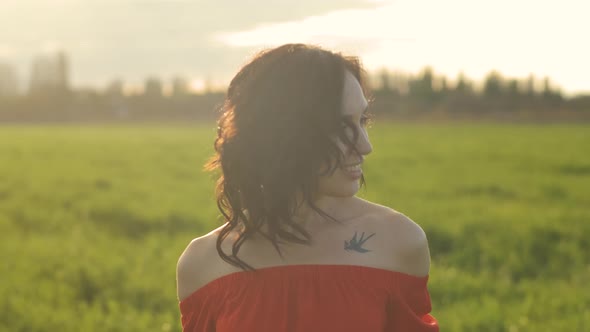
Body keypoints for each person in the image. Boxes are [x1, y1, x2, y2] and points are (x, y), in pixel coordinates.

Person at [176, 43, 439, 332]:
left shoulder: (397, 242)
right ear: (283, 132)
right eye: (340, 127)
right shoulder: (203, 263)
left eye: (363, 120)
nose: (365, 146)